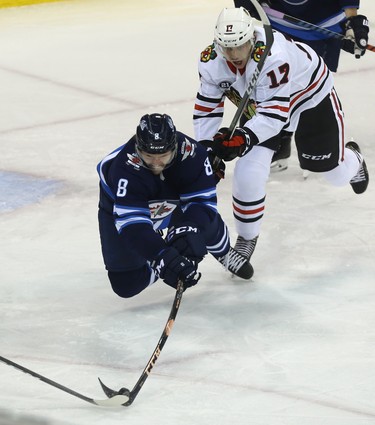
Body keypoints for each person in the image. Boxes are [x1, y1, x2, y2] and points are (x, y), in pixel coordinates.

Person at [193, 7, 369, 274]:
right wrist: (206, 149)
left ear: (251, 39)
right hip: (263, 103)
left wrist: (243, 138)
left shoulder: (273, 56)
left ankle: (353, 160)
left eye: (240, 46)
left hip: (309, 95)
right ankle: (247, 237)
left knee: (332, 173)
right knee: (247, 171)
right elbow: (207, 106)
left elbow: (274, 115)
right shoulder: (210, 61)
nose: (233, 55)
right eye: (226, 48)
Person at [97, 113, 253, 298]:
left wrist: (190, 230)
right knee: (125, 285)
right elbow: (133, 225)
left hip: (173, 195)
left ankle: (223, 251)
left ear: (174, 147)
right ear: (138, 149)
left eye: (163, 155)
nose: (156, 162)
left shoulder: (193, 154)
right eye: (149, 155)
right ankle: (165, 261)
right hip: (119, 202)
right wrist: (163, 257)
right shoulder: (124, 168)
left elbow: (203, 204)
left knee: (198, 222)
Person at [233, 0, 370, 170]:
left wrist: (352, 22)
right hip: (276, 23)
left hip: (321, 26)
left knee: (309, 86)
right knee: (273, 81)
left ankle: (334, 153)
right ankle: (281, 139)